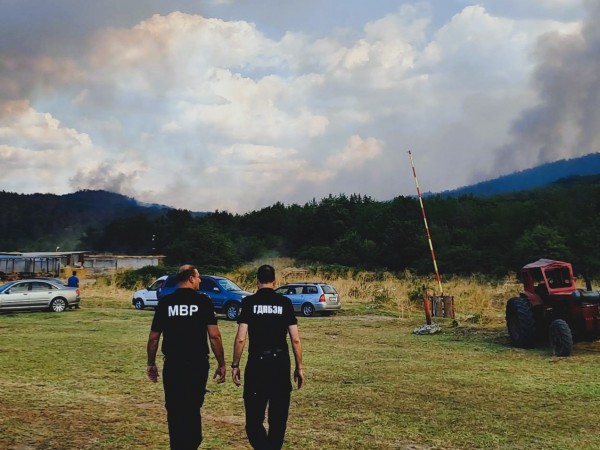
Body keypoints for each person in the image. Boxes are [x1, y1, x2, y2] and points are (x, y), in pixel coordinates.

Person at [146, 265, 226, 450]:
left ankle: (178, 445)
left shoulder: (166, 302)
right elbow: (214, 336)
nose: (199, 281)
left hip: (173, 364)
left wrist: (151, 363)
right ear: (190, 278)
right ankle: (192, 442)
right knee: (192, 406)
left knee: (174, 408)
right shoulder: (204, 302)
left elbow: (153, 337)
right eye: (198, 278)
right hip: (197, 364)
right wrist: (222, 363)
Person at [231, 264, 304, 450]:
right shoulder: (285, 303)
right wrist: (299, 367)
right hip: (280, 363)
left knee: (254, 421)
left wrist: (235, 364)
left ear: (256, 281)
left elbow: (241, 338)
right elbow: (295, 339)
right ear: (275, 281)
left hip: (257, 364)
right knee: (278, 420)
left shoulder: (248, 303)